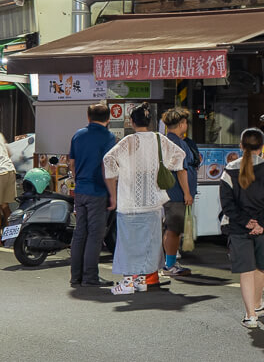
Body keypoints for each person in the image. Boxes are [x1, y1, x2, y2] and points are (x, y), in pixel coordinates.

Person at [103, 103, 188, 296]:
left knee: (128, 243)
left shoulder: (128, 141)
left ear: (132, 122)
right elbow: (180, 155)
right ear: (150, 122)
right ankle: (141, 281)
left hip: (130, 202)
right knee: (148, 244)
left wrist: (118, 173)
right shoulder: (160, 140)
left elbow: (108, 159)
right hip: (153, 202)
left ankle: (127, 282)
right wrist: (166, 165)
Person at [219, 128, 264, 329]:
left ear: (241, 146)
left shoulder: (229, 170)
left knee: (245, 271)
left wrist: (247, 222)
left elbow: (227, 204)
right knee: (260, 267)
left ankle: (251, 315)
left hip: (238, 228)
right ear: (263, 148)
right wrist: (261, 223)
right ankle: (257, 304)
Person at [68, 103, 117, 287]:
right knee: (95, 235)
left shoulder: (78, 135)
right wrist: (113, 195)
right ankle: (90, 277)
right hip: (98, 191)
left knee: (80, 232)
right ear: (108, 119)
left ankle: (76, 276)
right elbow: (108, 168)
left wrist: (78, 179)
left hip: (80, 190)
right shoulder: (108, 137)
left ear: (88, 117)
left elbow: (71, 163)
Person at [161, 107, 197, 277]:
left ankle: (169, 262)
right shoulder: (176, 143)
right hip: (176, 193)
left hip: (171, 192)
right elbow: (181, 170)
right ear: (182, 123)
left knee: (171, 228)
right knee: (173, 229)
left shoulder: (167, 140)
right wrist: (187, 193)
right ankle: (169, 265)